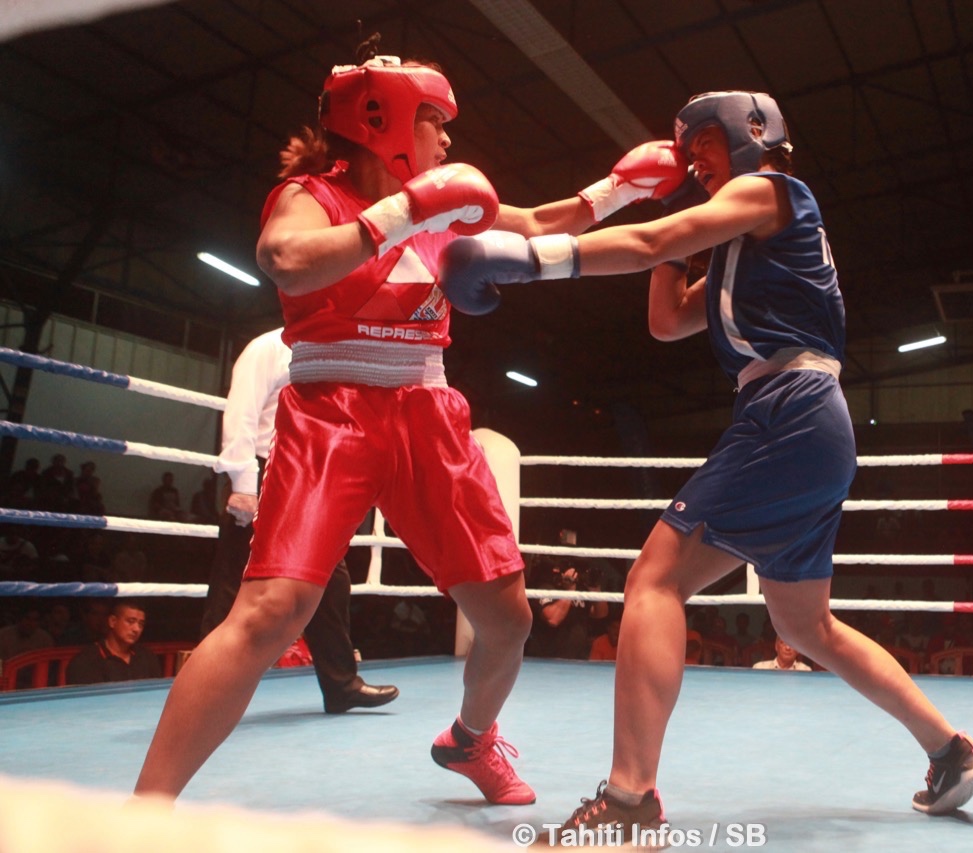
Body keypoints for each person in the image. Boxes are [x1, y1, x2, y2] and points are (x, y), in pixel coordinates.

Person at [130, 40, 687, 808]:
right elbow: (285, 259)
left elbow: (535, 222)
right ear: (382, 120)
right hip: (332, 413)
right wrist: (401, 212)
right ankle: (143, 811)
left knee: (508, 619)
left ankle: (469, 740)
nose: (448, 139)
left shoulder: (446, 202)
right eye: (434, 120)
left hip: (427, 414)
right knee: (268, 612)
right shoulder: (312, 195)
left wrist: (621, 188)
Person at [439, 90, 973, 832]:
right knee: (805, 624)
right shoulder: (746, 247)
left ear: (752, 133)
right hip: (808, 422)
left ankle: (629, 802)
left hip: (788, 409)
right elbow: (665, 318)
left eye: (702, 141)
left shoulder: (769, 190)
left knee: (654, 579)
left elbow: (645, 244)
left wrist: (531, 260)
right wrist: (670, 221)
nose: (692, 158)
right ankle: (951, 750)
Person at [202, 326, 399, 715]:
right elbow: (241, 413)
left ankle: (341, 684)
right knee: (233, 582)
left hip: (311, 476)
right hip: (266, 469)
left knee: (332, 580)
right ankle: (209, 691)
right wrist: (243, 483)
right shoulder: (267, 348)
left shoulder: (334, 350)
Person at [65, 600, 162, 685]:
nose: (136, 629)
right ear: (112, 621)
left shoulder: (147, 656)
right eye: (130, 621)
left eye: (141, 624)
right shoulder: (85, 661)